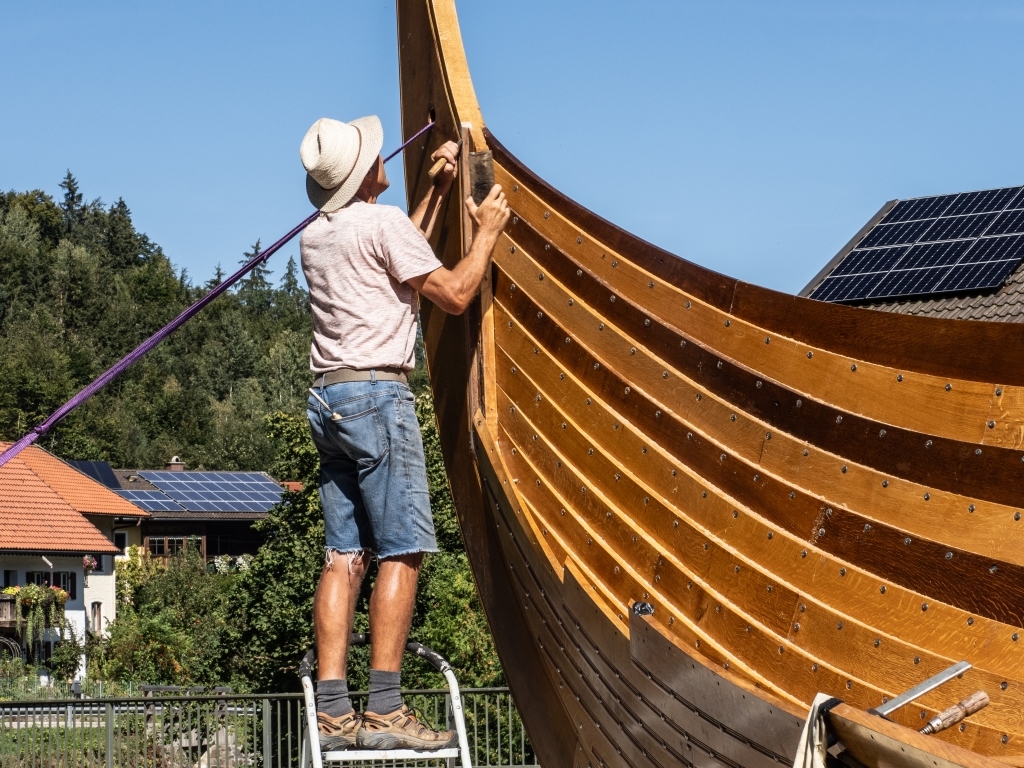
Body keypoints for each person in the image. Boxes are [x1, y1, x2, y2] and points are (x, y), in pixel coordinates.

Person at [298, 115, 510, 751]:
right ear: (367, 175)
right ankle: (386, 709)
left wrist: (437, 192)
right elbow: (450, 293)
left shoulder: (316, 235)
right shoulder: (382, 222)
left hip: (328, 399)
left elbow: (388, 263)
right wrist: (487, 237)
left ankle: (334, 713)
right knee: (404, 547)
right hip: (378, 397)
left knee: (344, 554)